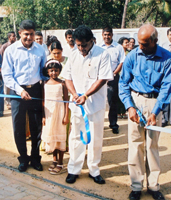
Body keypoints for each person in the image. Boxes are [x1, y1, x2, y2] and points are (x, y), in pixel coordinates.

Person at [119, 24, 171, 200]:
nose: (140, 46)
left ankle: (153, 185)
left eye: (144, 43)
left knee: (151, 145)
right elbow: (123, 83)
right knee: (135, 144)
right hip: (136, 100)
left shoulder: (167, 58)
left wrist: (156, 111)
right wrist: (129, 106)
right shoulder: (132, 56)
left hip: (154, 102)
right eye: (139, 43)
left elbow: (166, 88)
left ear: (154, 41)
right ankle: (136, 186)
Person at [61, 25, 113, 184]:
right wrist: (74, 94)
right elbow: (67, 77)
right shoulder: (74, 54)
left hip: (95, 105)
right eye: (78, 45)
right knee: (76, 137)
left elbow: (103, 78)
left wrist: (86, 95)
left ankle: (94, 170)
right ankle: (74, 169)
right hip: (77, 105)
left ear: (92, 41)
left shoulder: (102, 54)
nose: (81, 48)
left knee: (96, 138)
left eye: (85, 45)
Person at [1, 19, 47, 172]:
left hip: (35, 91)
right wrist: (20, 90)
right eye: (26, 34)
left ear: (35, 34)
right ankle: (23, 159)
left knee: (37, 127)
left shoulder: (40, 50)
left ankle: (35, 159)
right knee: (19, 127)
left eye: (32, 34)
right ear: (19, 33)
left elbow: (43, 72)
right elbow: (7, 76)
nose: (29, 38)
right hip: (17, 92)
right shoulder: (11, 50)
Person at [42, 59, 69, 175]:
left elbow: (66, 100)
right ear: (47, 71)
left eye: (56, 70)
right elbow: (43, 101)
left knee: (59, 136)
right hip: (49, 114)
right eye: (51, 71)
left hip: (59, 113)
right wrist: (43, 116)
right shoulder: (44, 84)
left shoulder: (62, 83)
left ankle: (60, 162)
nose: (54, 73)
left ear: (59, 71)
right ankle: (54, 159)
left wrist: (66, 115)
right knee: (52, 135)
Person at [99, 26, 125, 134]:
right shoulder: (98, 47)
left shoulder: (118, 47)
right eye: (105, 34)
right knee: (100, 102)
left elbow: (121, 62)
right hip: (100, 78)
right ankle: (99, 125)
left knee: (112, 102)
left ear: (112, 35)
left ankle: (113, 124)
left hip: (114, 77)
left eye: (108, 34)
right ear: (102, 35)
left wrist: (113, 74)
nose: (107, 36)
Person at [0, 31, 16, 110]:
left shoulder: (17, 46)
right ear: (9, 37)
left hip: (15, 69)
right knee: (6, 87)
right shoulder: (4, 46)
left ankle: (13, 101)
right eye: (13, 36)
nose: (14, 37)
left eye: (15, 36)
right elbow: (1, 58)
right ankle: (7, 102)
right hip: (7, 69)